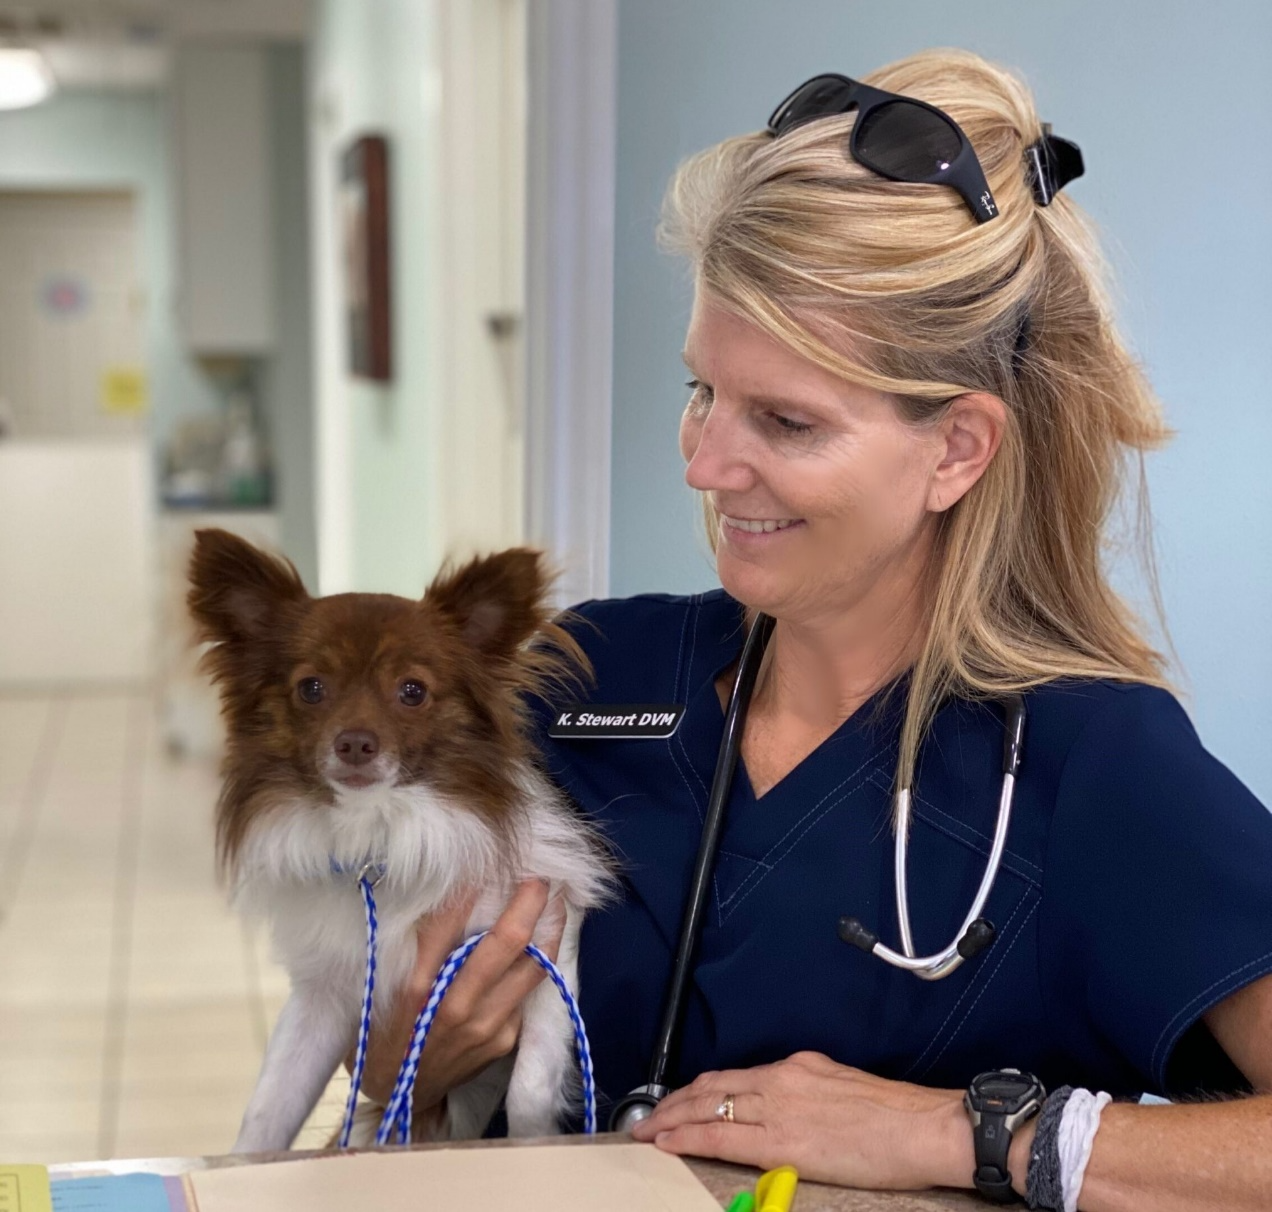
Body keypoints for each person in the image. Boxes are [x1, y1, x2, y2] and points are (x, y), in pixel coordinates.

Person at [359, 49, 1272, 1208]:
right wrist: (405, 1059)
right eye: (701, 391)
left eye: (784, 421)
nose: (703, 462)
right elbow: (394, 1063)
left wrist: (971, 1136)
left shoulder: (1090, 765)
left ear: (956, 451)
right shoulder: (579, 683)